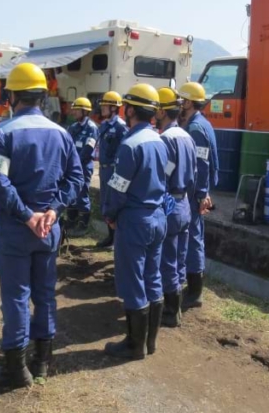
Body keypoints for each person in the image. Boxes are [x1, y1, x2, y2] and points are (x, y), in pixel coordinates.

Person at [0, 63, 83, 388]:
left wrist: (27, 215)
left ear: (12, 95)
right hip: (48, 230)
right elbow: (76, 178)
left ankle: (16, 369)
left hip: (16, 228)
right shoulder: (63, 133)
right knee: (45, 295)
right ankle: (42, 362)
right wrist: (53, 210)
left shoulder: (3, 131)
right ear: (43, 95)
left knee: (15, 297)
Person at [102, 84, 167, 360]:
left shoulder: (129, 145)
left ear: (129, 110)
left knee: (132, 282)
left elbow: (118, 188)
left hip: (135, 220)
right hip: (158, 217)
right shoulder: (160, 141)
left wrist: (110, 214)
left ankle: (134, 345)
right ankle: (150, 343)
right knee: (153, 278)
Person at [155, 87, 197, 327]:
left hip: (170, 202)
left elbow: (162, 177)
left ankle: (171, 312)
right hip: (184, 204)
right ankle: (176, 304)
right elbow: (194, 174)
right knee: (179, 258)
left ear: (162, 110)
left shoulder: (165, 140)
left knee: (167, 260)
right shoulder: (186, 137)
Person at [178, 82, 219, 309]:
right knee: (195, 237)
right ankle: (193, 288)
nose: (179, 105)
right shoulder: (201, 123)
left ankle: (194, 293)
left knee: (193, 239)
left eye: (182, 100)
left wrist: (202, 194)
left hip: (193, 193)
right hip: (197, 191)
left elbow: (201, 164)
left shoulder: (195, 129)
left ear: (189, 102)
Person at [95, 91, 128, 248]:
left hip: (113, 170)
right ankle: (110, 237)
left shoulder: (120, 127)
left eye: (105, 106)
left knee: (113, 202)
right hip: (103, 169)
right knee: (105, 203)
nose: (102, 109)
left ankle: (116, 239)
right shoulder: (104, 126)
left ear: (114, 108)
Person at [65, 97, 99, 237]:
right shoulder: (73, 128)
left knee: (82, 192)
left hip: (83, 166)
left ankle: (83, 225)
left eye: (77, 110)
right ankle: (71, 221)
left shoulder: (91, 128)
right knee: (71, 191)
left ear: (85, 112)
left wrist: (76, 163)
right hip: (72, 165)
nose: (74, 112)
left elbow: (88, 149)